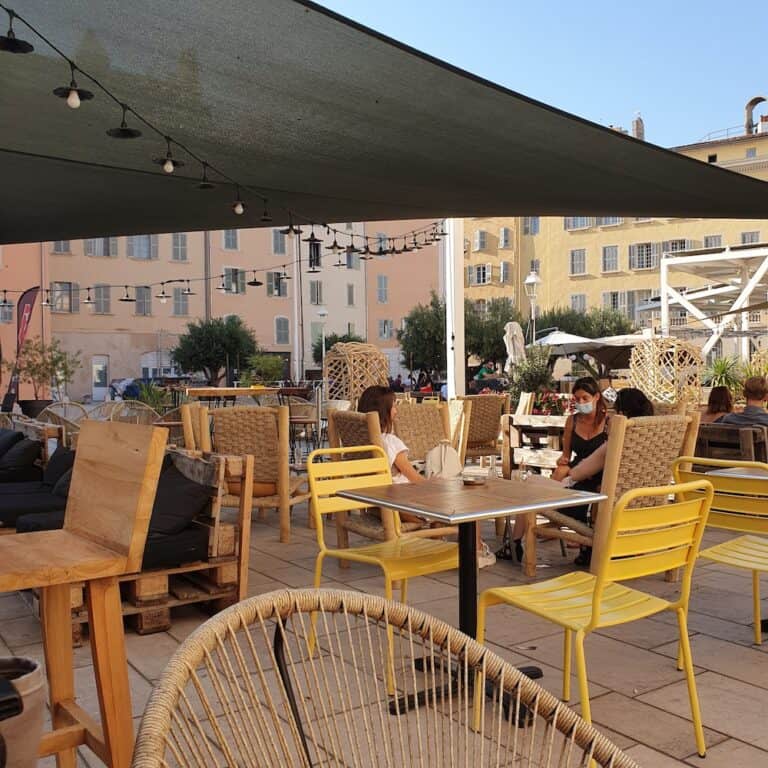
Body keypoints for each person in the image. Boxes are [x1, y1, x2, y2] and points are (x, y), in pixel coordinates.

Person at [510, 377, 608, 565]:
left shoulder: (609, 422)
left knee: (531, 489)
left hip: (599, 475)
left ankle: (518, 541)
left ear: (596, 397)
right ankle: (517, 543)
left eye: (585, 398)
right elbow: (565, 457)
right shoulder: (572, 421)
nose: (580, 403)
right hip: (577, 470)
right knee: (547, 480)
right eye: (577, 399)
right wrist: (562, 468)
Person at [358, 386, 423, 485]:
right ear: (384, 411)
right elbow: (415, 479)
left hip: (364, 488)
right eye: (393, 407)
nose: (396, 411)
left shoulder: (360, 440)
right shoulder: (389, 441)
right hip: (399, 493)